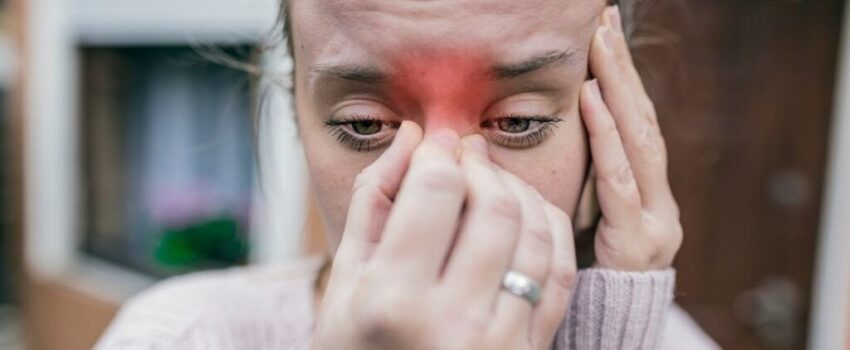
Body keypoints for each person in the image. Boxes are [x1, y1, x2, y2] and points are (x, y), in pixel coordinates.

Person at [96, 1, 719, 349]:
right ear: (296, 119)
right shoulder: (181, 337)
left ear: (607, 115)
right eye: (365, 124)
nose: (439, 182)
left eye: (520, 120)